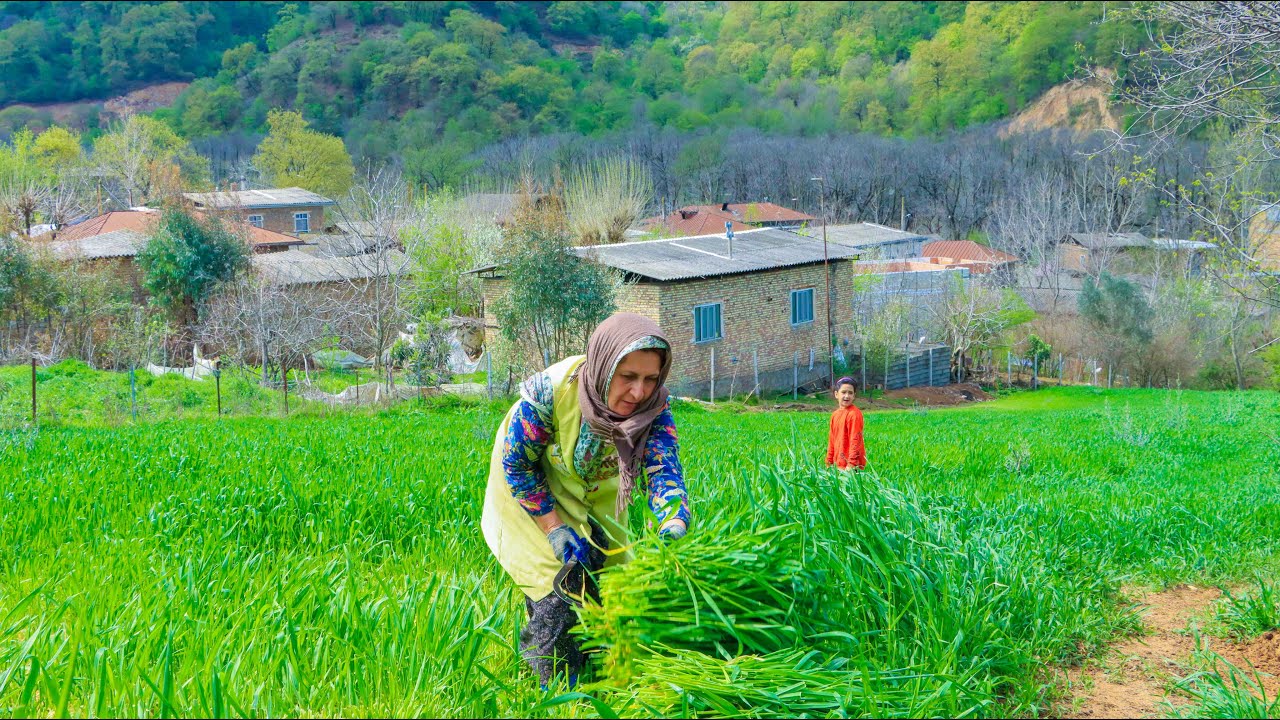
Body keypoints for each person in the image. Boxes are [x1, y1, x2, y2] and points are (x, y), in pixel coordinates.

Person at [481, 313, 691, 688]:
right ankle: (558, 683)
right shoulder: (551, 393)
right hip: (533, 491)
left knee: (607, 579)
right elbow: (518, 467)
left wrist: (673, 522)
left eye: (650, 379)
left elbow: (663, 470)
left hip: (596, 490)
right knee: (558, 585)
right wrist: (554, 528)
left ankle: (601, 664)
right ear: (604, 367)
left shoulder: (654, 408)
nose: (639, 392)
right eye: (627, 377)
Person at [826, 376, 866, 471]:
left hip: (851, 466)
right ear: (836, 394)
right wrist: (829, 462)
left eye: (850, 393)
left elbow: (855, 440)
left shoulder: (854, 415)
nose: (847, 396)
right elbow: (832, 440)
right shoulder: (835, 415)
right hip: (838, 465)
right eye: (843, 392)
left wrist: (851, 464)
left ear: (854, 395)